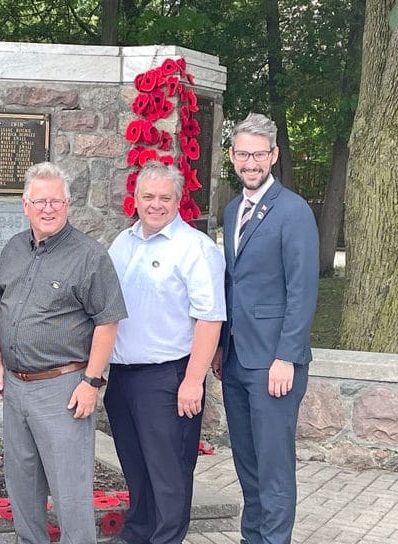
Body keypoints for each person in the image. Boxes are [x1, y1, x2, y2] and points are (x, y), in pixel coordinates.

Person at [0, 161, 126, 544]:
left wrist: (91, 381)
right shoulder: (14, 249)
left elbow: (108, 321)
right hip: (16, 387)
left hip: (63, 388)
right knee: (22, 484)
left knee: (69, 492)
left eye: (56, 201)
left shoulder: (89, 255)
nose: (48, 209)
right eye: (39, 201)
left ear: (68, 204)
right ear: (25, 204)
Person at [212, 113, 319, 544]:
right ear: (233, 157)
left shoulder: (293, 211)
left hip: (274, 363)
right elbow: (231, 283)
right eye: (242, 154)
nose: (250, 162)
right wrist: (221, 346)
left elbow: (302, 290)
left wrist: (286, 357)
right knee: (247, 464)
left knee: (274, 468)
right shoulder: (232, 209)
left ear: (273, 155)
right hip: (237, 360)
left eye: (258, 154)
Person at [105, 163, 225, 544]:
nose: (155, 204)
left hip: (167, 378)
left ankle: (167, 538)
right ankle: (138, 532)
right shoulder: (122, 243)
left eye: (164, 197)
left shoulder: (196, 249)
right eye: (148, 196)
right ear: (136, 199)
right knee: (136, 467)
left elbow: (210, 318)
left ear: (178, 200)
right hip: (122, 376)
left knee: (169, 473)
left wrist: (193, 381)